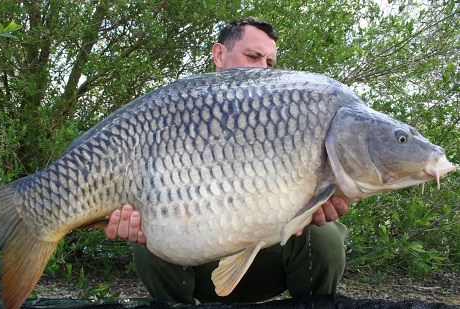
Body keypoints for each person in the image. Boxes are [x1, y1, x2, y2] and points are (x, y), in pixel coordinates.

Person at [104, 17, 349, 304]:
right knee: (148, 237)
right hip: (195, 257)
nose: (262, 69)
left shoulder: (285, 121)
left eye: (269, 63)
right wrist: (129, 215)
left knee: (325, 237)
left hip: (269, 258)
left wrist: (320, 200)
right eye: (253, 56)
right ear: (219, 54)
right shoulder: (176, 112)